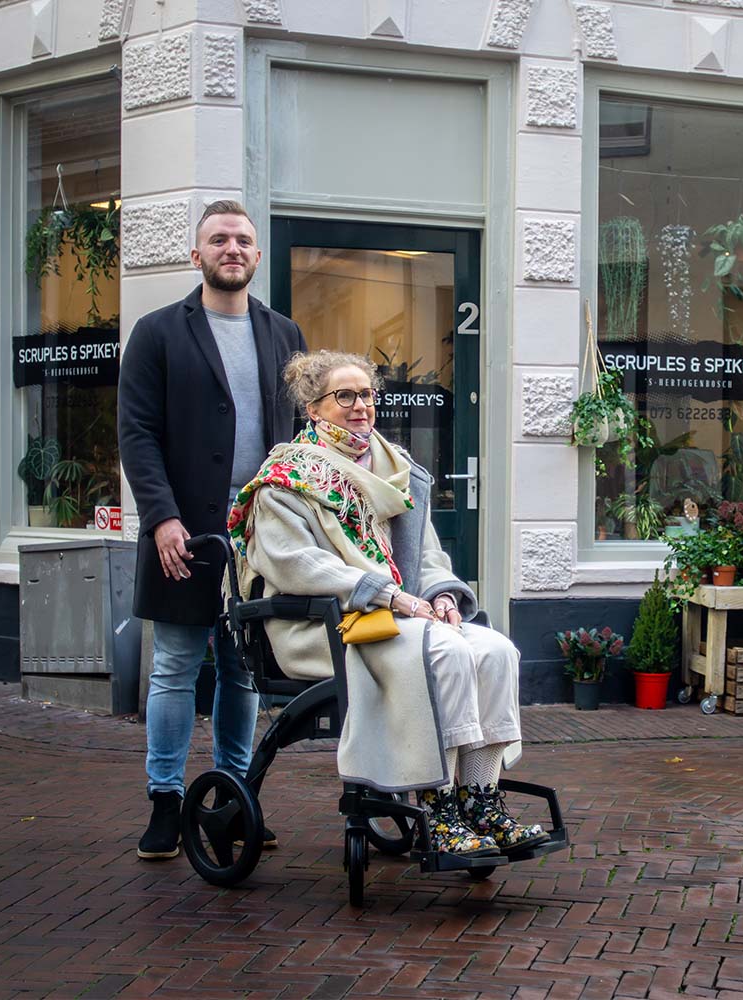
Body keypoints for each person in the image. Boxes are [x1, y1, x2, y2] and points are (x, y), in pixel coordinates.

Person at [227, 351, 548, 856]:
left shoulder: (396, 469)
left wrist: (442, 596)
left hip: (402, 616)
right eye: (345, 396)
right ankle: (440, 810)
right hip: (326, 625)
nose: (361, 406)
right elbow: (293, 563)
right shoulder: (285, 478)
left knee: (494, 650)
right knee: (443, 654)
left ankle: (482, 800)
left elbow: (427, 556)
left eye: (368, 394)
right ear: (313, 409)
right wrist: (389, 594)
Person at [118, 200, 305, 860]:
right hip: (186, 527)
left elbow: (303, 437)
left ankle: (234, 795)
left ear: (256, 257)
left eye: (243, 240)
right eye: (219, 238)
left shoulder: (285, 334)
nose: (232, 248)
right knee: (173, 665)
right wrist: (161, 518)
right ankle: (166, 803)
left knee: (244, 669)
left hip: (261, 531)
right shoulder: (158, 332)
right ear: (196, 253)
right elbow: (137, 434)